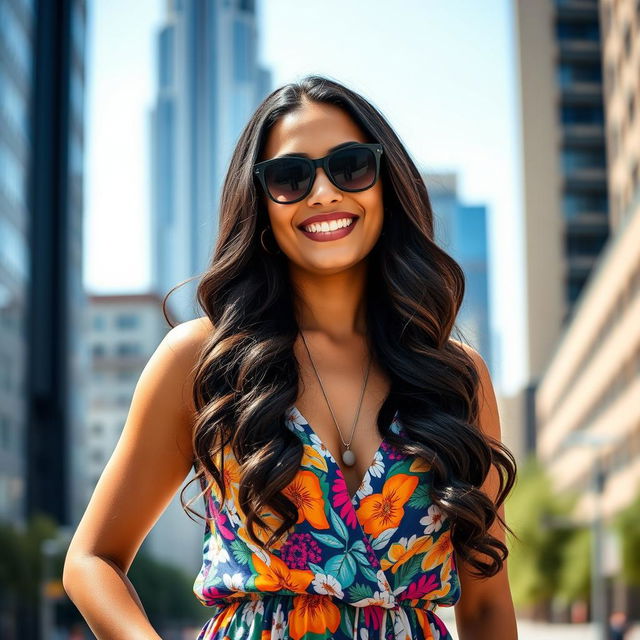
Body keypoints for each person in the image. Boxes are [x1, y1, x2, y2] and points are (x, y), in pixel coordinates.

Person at [62, 74, 518, 639]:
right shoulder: (203, 360)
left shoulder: (455, 377)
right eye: (290, 177)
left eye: (351, 166)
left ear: (386, 184)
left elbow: (488, 607)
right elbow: (92, 561)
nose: (323, 193)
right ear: (261, 202)